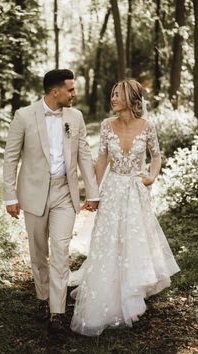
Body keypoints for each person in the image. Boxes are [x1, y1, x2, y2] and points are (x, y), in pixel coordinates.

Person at [70, 79, 180, 336]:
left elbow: (156, 156)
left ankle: (132, 290)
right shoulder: (107, 126)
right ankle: (107, 291)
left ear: (132, 98)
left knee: (133, 240)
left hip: (135, 192)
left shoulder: (147, 126)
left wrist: (151, 177)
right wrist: (92, 192)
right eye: (112, 95)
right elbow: (101, 160)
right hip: (113, 190)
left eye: (118, 95)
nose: (113, 98)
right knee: (109, 241)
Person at [3, 69, 99, 333]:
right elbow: (11, 158)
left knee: (60, 251)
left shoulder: (75, 117)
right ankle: (42, 298)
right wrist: (10, 196)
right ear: (55, 91)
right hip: (33, 194)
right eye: (70, 89)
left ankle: (57, 312)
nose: (74, 94)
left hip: (64, 194)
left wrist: (92, 192)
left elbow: (84, 155)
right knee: (38, 252)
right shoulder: (24, 116)